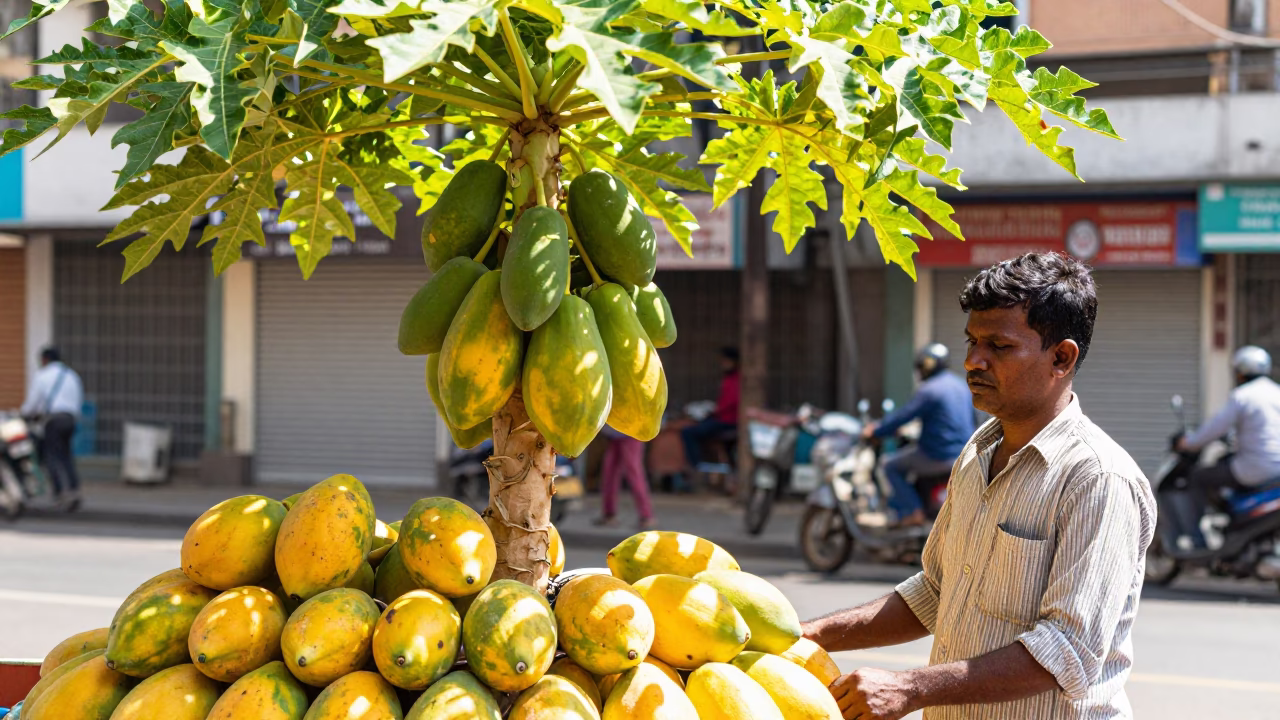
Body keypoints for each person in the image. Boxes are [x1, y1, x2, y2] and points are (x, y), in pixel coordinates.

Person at [802, 253, 1155, 720]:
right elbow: (935, 592)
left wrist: (911, 687)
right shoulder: (977, 451)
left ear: (1061, 357)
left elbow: (1067, 650)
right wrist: (809, 634)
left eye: (999, 346)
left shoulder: (1097, 478)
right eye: (971, 341)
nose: (973, 360)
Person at [1174, 345, 1280, 549]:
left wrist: (1189, 442)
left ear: (1240, 372)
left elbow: (1214, 428)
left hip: (1254, 470)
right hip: (1276, 472)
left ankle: (1196, 539)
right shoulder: (1277, 392)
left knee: (1198, 477)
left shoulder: (1242, 396)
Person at [862, 343, 975, 526]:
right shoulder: (961, 386)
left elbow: (902, 416)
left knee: (890, 466)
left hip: (938, 455)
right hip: (962, 455)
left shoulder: (928, 390)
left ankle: (912, 511)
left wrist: (875, 430)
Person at [21, 346, 85, 511]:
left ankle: (59, 493)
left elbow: (33, 402)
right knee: (66, 455)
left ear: (45, 359)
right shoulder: (72, 375)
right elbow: (78, 400)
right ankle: (74, 490)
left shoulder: (43, 376)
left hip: (53, 420)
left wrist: (24, 414)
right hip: (70, 419)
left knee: (52, 457)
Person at [680, 347, 740, 470]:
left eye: (725, 361)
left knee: (688, 432)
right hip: (723, 418)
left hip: (728, 421)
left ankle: (696, 465)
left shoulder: (736, 379)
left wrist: (714, 411)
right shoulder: (729, 378)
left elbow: (731, 402)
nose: (722, 364)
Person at [594, 425, 656, 529]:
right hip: (615, 436)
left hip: (630, 434)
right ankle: (609, 514)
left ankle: (646, 515)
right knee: (609, 474)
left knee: (634, 474)